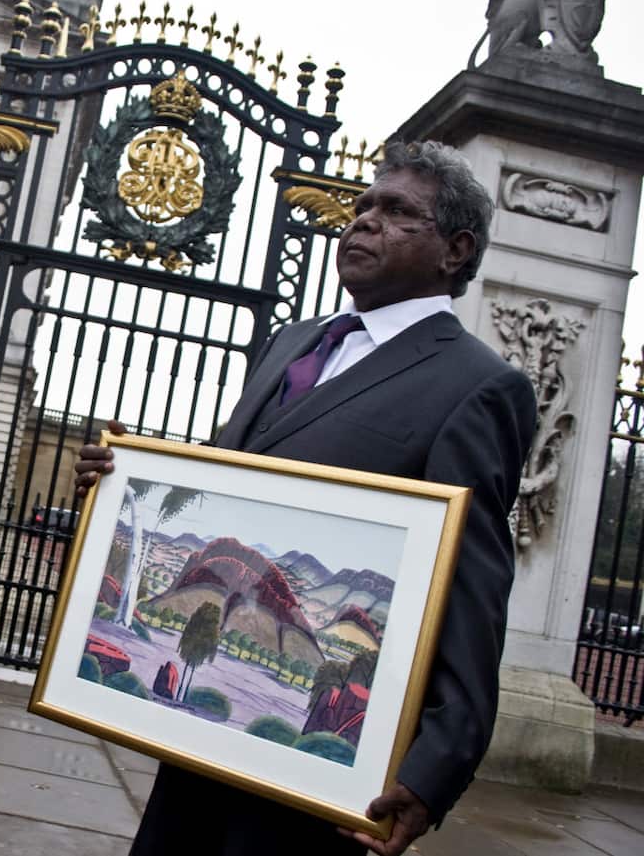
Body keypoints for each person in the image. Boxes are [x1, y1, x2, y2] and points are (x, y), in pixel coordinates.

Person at [74, 141, 537, 856]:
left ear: (456, 249)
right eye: (360, 207)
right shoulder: (292, 342)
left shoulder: (479, 386)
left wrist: (433, 767)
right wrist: (126, 479)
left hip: (316, 780)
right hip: (195, 748)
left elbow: (474, 590)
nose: (362, 222)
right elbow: (226, 491)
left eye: (395, 211)